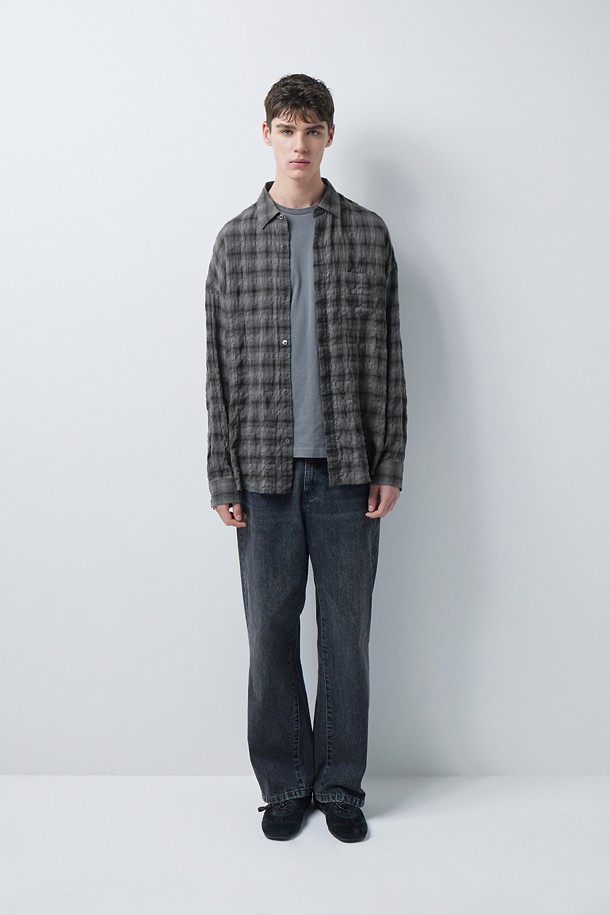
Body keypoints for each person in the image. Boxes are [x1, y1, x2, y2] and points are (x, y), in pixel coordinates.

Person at [205, 73, 407, 843]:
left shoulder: (367, 235)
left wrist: (389, 460)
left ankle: (341, 786)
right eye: (287, 129)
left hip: (349, 471)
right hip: (261, 474)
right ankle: (286, 784)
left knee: (345, 634)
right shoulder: (234, 242)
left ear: (329, 136)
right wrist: (222, 473)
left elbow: (387, 357)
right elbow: (218, 369)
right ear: (267, 134)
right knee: (270, 632)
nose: (299, 143)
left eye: (311, 129)